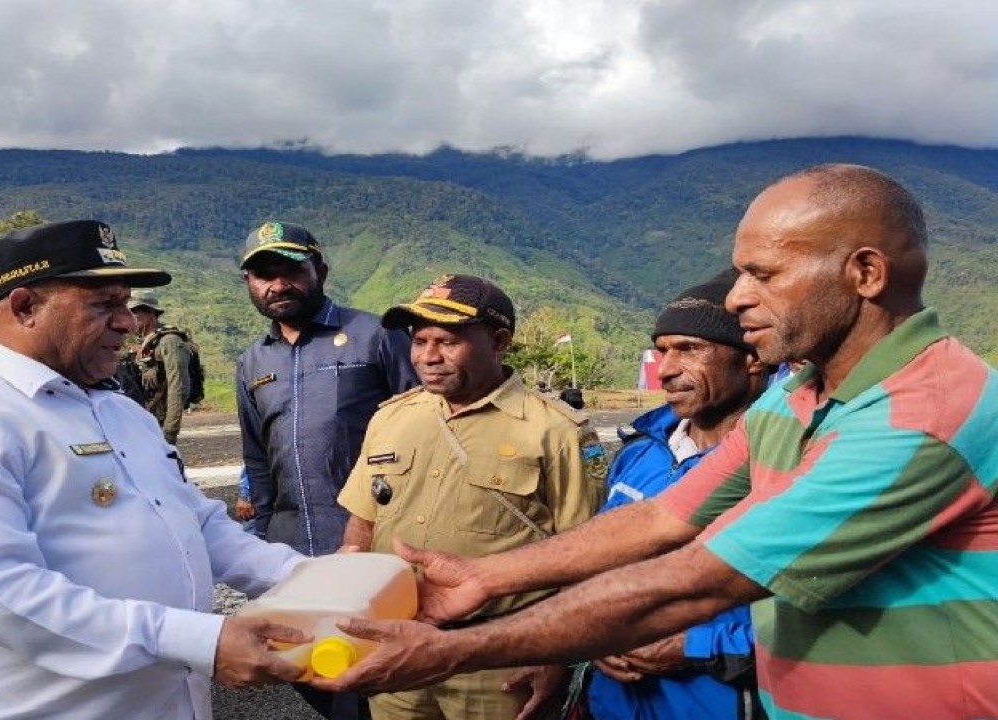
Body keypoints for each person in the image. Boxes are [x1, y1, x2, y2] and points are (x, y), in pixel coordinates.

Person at [312, 164, 998, 720]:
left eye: (765, 274)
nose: (736, 298)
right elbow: (665, 516)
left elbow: (697, 584)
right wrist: (486, 577)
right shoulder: (799, 394)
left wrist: (458, 650)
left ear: (866, 273)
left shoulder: (924, 411)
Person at [0, 220, 309, 719]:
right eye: (104, 305)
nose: (127, 322)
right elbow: (3, 599)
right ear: (24, 308)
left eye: (125, 304)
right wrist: (200, 640)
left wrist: (308, 578)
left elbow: (200, 524)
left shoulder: (120, 412)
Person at [337, 274, 607, 720]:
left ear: (499, 342)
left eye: (446, 341)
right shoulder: (391, 418)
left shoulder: (556, 432)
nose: (428, 356)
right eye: (419, 340)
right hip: (398, 646)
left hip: (499, 660)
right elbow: (364, 519)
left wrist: (558, 652)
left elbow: (588, 555)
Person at [235, 221, 419, 720]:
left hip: (371, 544)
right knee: (311, 669)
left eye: (290, 270)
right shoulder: (253, 361)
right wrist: (262, 539)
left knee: (379, 678)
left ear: (319, 270)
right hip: (293, 549)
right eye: (262, 275)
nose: (277, 284)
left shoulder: (376, 336)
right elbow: (258, 459)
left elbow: (424, 430)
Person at [587, 269, 768, 720]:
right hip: (613, 703)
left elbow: (817, 618)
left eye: (689, 350)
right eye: (662, 351)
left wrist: (693, 647)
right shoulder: (638, 453)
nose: (666, 370)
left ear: (753, 360)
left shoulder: (781, 465)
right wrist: (589, 633)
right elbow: (596, 566)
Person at [127, 289, 192, 444]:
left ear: (150, 312)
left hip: (160, 425)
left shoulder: (170, 342)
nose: (129, 317)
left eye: (134, 311)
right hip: (145, 421)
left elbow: (178, 386)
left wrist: (170, 432)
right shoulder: (146, 343)